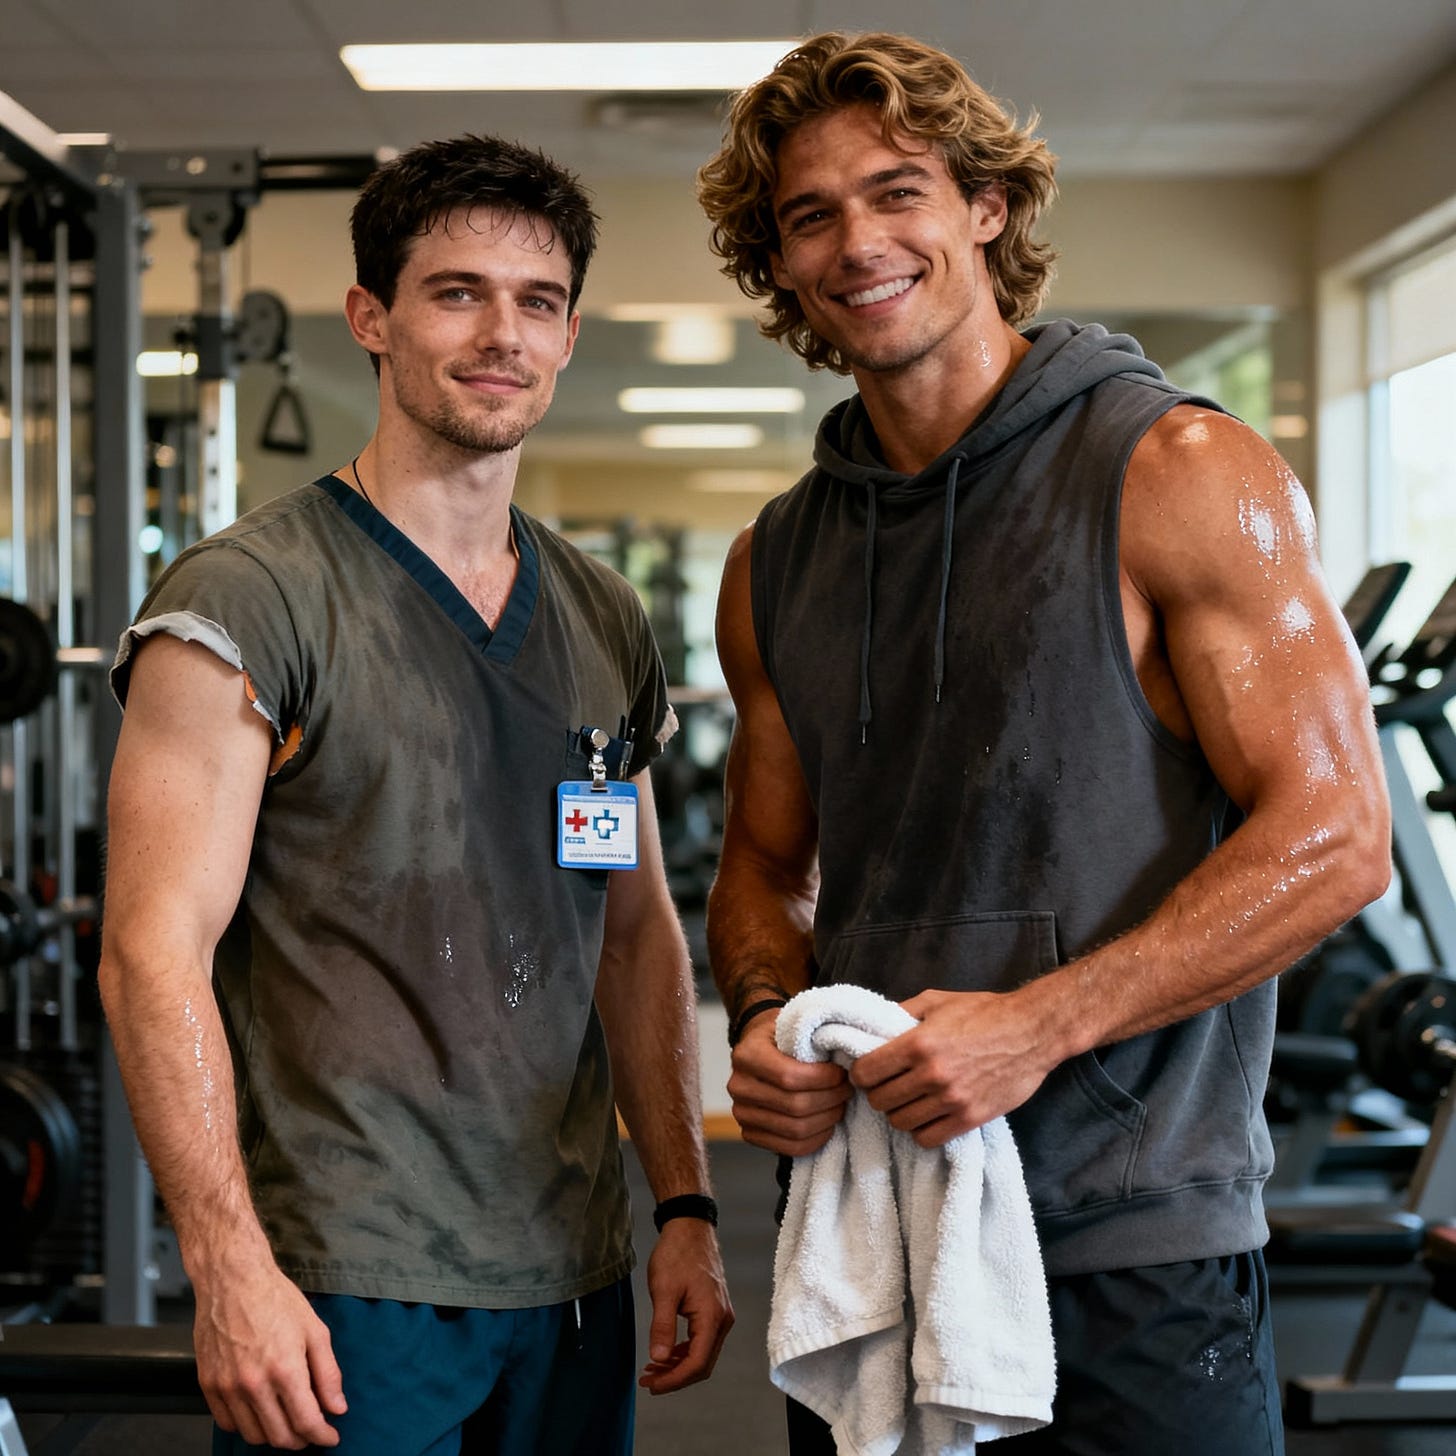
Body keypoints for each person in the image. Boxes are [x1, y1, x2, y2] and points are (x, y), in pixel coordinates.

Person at [696, 31, 1390, 1456]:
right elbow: (765, 869)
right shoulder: (776, 561)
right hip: (879, 1233)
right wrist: (765, 1017)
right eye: (810, 216)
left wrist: (1041, 1026)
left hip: (1136, 1236)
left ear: (986, 210)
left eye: (898, 192)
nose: (859, 242)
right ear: (779, 263)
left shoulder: (1179, 471)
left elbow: (1335, 836)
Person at [98, 133, 732, 1456]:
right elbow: (151, 954)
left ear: (566, 336)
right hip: (348, 1277)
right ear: (371, 319)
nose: (502, 333)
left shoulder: (602, 615)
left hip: (570, 1273)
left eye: (538, 301)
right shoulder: (248, 601)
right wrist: (226, 1267)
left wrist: (683, 1204)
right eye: (457, 292)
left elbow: (631, 928)